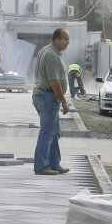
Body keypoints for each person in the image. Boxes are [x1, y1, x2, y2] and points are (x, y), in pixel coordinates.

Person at [31, 29, 71, 175]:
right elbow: (54, 82)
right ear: (57, 39)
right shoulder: (51, 55)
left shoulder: (47, 51)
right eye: (66, 39)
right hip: (47, 96)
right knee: (48, 132)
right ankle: (41, 166)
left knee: (54, 132)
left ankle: (54, 163)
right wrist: (64, 102)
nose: (68, 42)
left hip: (47, 96)